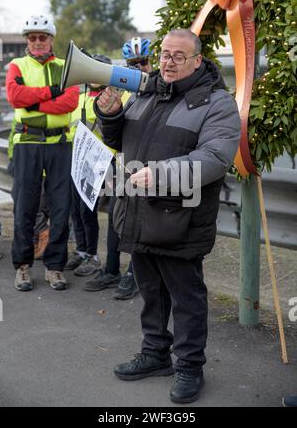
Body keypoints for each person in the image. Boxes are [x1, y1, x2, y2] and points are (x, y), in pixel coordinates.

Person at [94, 29, 241, 404]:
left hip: (182, 219)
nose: (168, 62)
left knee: (186, 297)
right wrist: (110, 115)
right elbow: (122, 141)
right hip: (140, 211)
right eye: (164, 55)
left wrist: (160, 175)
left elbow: (215, 158)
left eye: (178, 56)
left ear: (197, 61)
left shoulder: (217, 102)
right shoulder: (147, 91)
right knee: (151, 291)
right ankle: (155, 353)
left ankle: (190, 366)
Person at [6, 14, 79, 291]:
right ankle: (23, 267)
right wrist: (51, 92)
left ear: (51, 40)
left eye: (43, 37)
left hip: (59, 144)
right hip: (28, 142)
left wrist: (33, 104)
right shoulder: (17, 65)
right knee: (25, 205)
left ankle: (55, 267)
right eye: (33, 37)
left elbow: (70, 102)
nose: (38, 42)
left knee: (61, 207)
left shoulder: (66, 66)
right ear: (27, 41)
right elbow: (15, 97)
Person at [84, 37, 153, 299]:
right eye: (132, 64)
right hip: (122, 165)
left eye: (142, 63)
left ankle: (134, 274)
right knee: (115, 218)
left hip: (148, 168)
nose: (138, 69)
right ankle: (111, 269)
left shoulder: (158, 88)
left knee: (141, 222)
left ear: (150, 61)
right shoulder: (122, 90)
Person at [64, 54, 113, 277]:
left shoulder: (112, 98)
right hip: (78, 162)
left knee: (87, 212)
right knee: (75, 211)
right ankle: (81, 250)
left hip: (100, 164)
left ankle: (92, 255)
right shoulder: (80, 98)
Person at [7, 118, 50, 260]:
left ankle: (43, 233)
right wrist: (12, 158)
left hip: (39, 167)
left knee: (36, 206)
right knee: (21, 202)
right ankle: (36, 240)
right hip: (22, 162)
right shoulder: (21, 110)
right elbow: (14, 135)